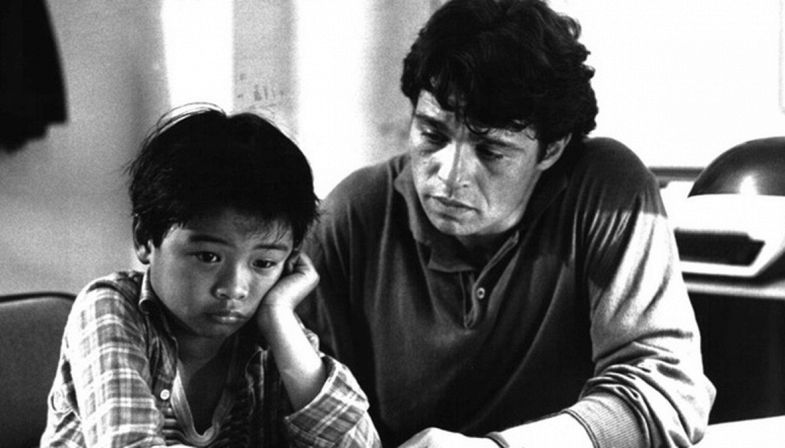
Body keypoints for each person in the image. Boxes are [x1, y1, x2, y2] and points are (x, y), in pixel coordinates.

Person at [297, 0, 715, 447]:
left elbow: (667, 390)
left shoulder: (604, 190)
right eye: (432, 135)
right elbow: (303, 409)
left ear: (551, 150)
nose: (449, 176)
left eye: (491, 151)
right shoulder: (354, 213)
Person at [40, 105, 381, 447]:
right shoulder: (110, 308)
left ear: (289, 262)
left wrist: (278, 316)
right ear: (145, 238)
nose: (234, 288)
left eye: (264, 263)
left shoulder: (272, 333)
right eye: (208, 257)